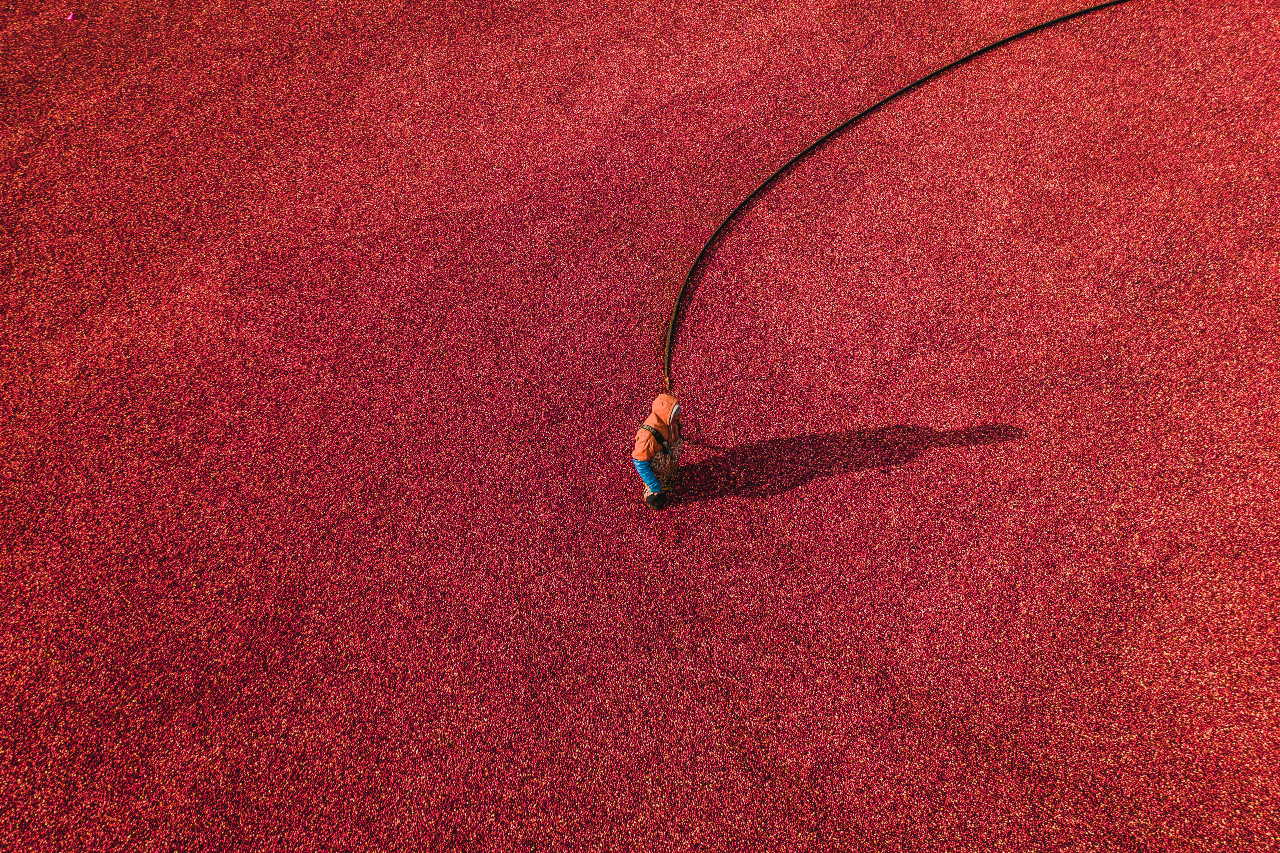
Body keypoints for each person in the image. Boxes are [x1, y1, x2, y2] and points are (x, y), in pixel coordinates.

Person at [632, 393, 682, 509]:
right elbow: (640, 462)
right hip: (657, 465)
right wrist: (653, 484)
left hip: (668, 458)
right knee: (656, 501)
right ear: (666, 415)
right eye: (676, 413)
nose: (679, 415)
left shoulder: (671, 422)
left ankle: (669, 475)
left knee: (670, 473)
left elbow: (675, 433)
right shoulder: (647, 437)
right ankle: (652, 490)